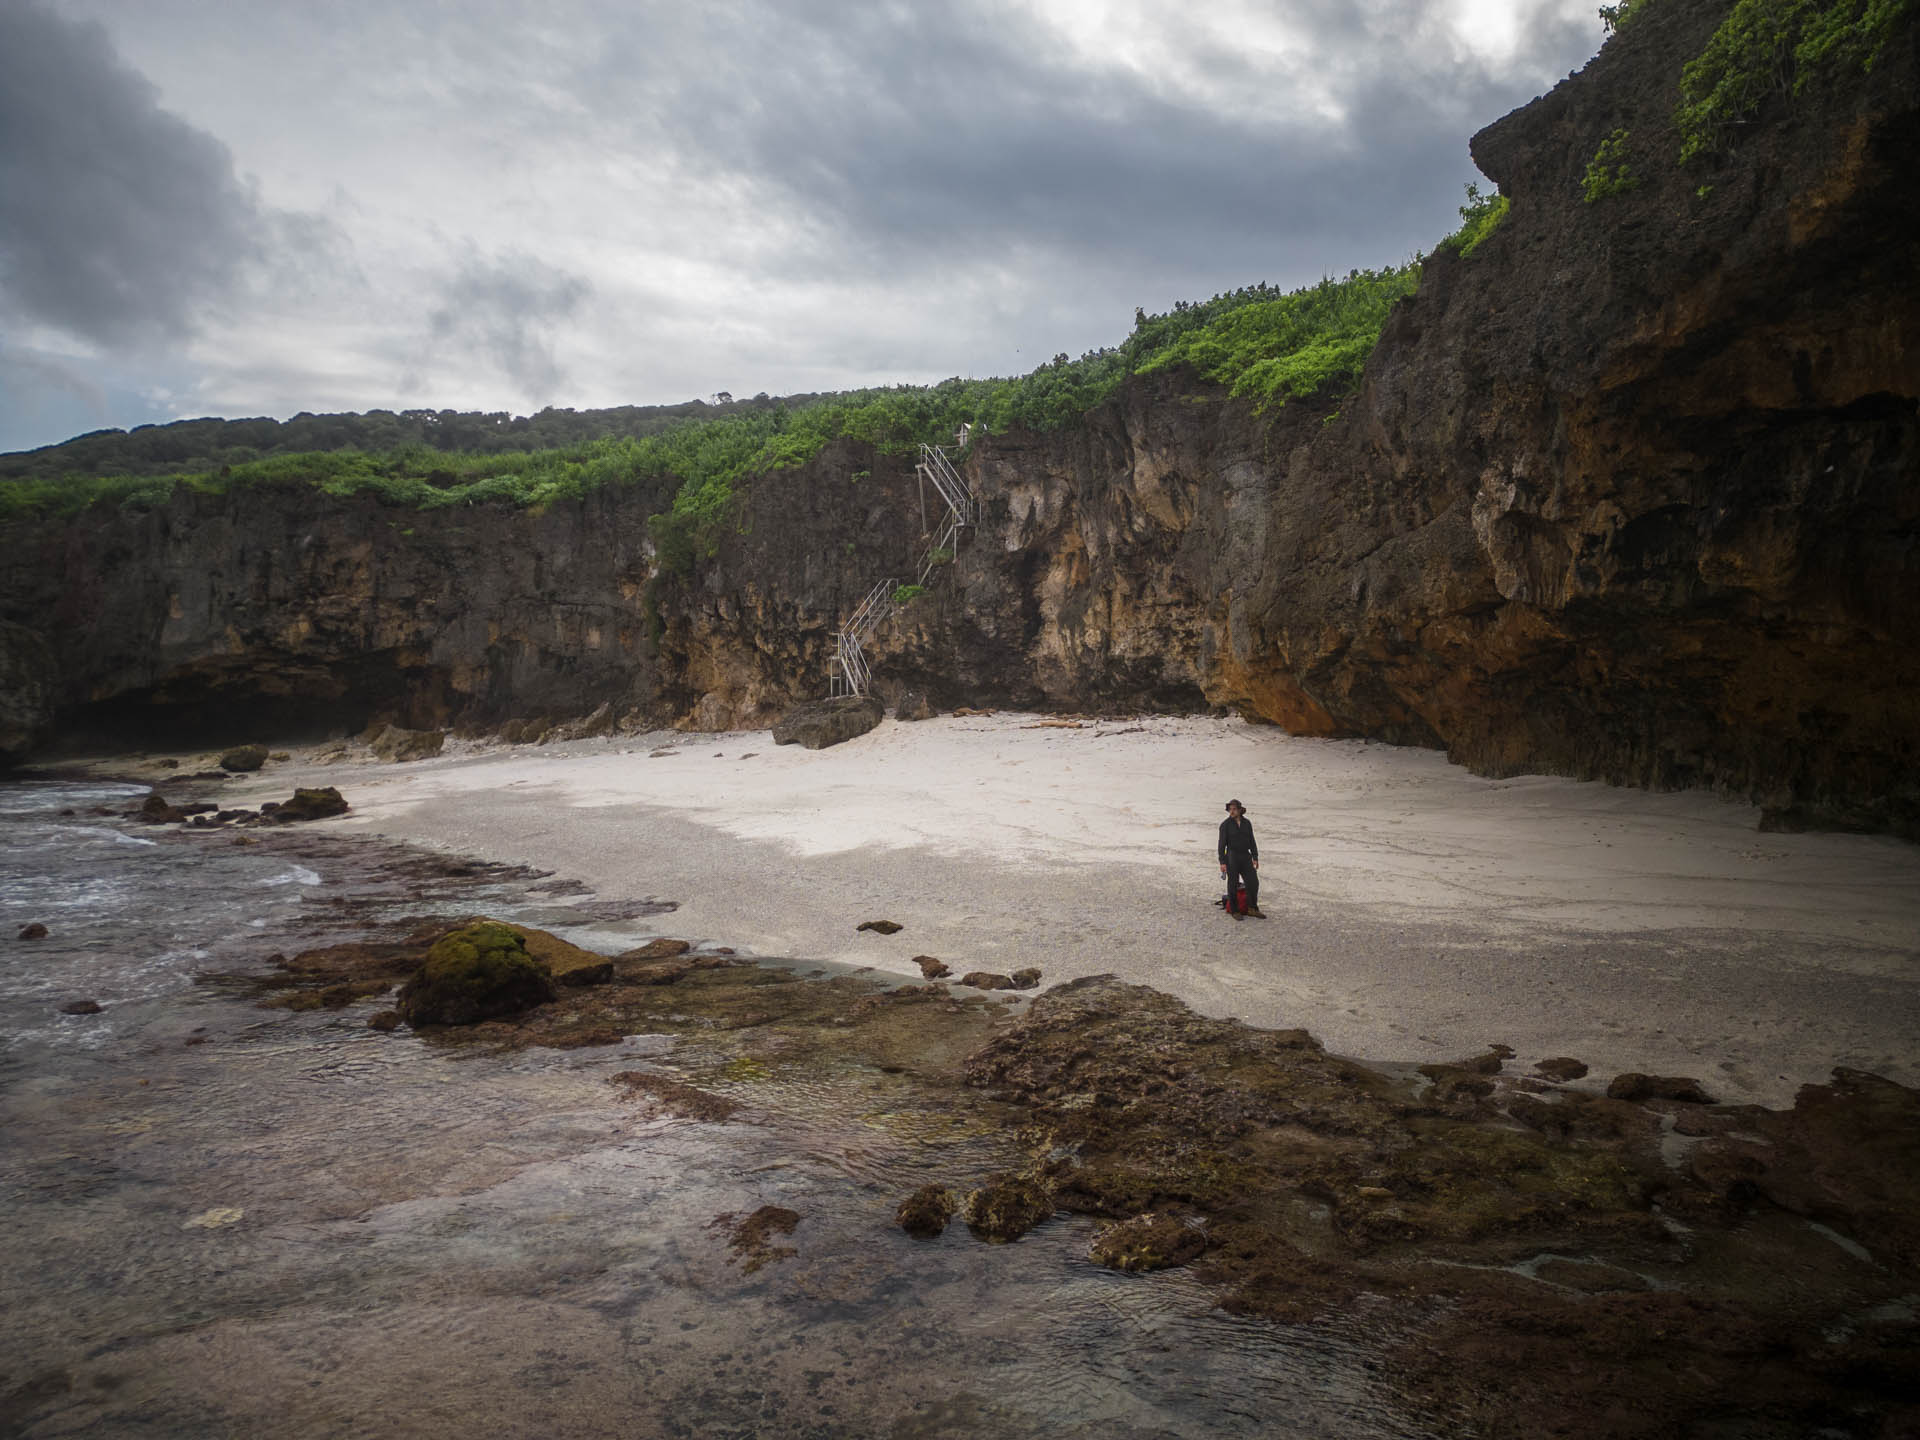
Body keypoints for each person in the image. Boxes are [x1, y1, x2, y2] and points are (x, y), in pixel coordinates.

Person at [1218, 799, 1263, 919]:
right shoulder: (1225, 825)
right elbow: (1221, 845)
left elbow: (1252, 841)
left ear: (1239, 810)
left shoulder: (1247, 823)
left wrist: (1255, 856)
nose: (1231, 811)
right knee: (1233, 884)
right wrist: (1222, 862)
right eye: (1230, 809)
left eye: (1234, 809)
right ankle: (1234, 910)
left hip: (1245, 855)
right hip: (1232, 856)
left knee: (1253, 882)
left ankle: (1252, 908)